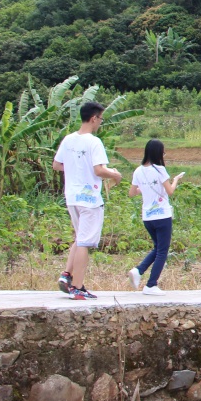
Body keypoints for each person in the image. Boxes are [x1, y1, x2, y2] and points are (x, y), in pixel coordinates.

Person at [52, 101, 122, 301]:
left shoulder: (68, 139)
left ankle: (67, 275)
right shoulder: (94, 142)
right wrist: (115, 175)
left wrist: (76, 168)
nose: (100, 122)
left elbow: (57, 165)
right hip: (89, 199)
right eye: (100, 119)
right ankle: (77, 287)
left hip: (72, 197)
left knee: (79, 237)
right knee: (85, 242)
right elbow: (99, 170)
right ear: (93, 118)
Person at [127, 139, 184, 295]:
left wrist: (143, 189)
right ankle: (151, 285)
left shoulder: (138, 171)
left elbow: (132, 193)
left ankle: (139, 271)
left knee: (158, 248)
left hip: (147, 217)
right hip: (162, 216)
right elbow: (170, 191)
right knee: (162, 251)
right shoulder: (160, 170)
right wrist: (176, 180)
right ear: (158, 153)